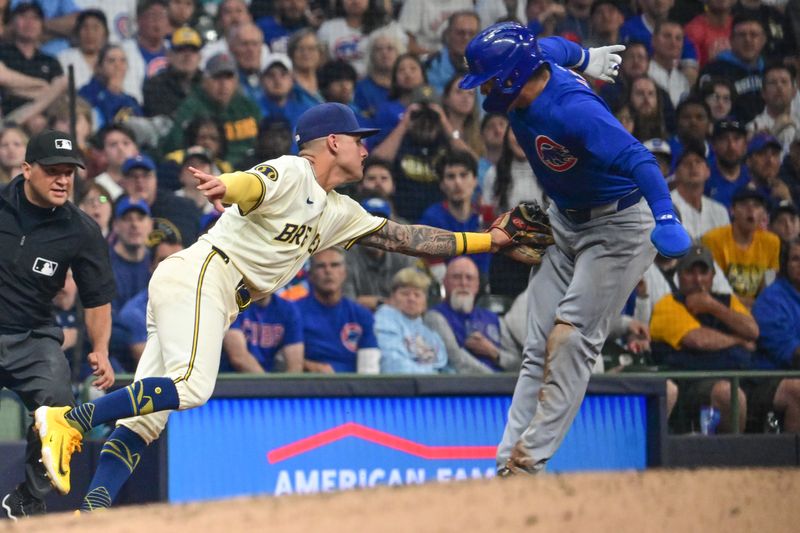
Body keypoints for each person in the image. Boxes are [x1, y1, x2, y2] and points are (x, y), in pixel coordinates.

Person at [35, 102, 519, 510]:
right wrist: (226, 186)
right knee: (192, 386)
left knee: (146, 420)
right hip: (206, 272)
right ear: (332, 141)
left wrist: (489, 241)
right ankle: (69, 420)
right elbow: (253, 183)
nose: (366, 148)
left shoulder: (339, 210)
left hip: (210, 290)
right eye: (357, 139)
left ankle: (92, 511)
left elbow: (407, 238)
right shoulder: (295, 170)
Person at [459, 22, 691, 475]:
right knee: (536, 340)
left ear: (511, 75)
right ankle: (508, 466)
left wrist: (666, 213)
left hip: (620, 224)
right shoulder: (530, 61)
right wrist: (585, 57)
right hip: (566, 220)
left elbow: (638, 158)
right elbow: (552, 47)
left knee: (570, 340)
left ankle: (529, 463)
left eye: (487, 78)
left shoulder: (573, 110)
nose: (482, 88)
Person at [0, 130, 115, 519]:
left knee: (63, 411)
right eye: (53, 171)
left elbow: (97, 297)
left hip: (32, 338)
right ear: (27, 170)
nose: (63, 180)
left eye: (69, 172)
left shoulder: (81, 229)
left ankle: (27, 501)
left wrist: (100, 349)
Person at [649, 244, 754, 432]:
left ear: (713, 276)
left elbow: (753, 331)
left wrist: (713, 306)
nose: (698, 280)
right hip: (690, 383)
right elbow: (699, 340)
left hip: (740, 375)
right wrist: (738, 340)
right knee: (727, 393)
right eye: (690, 272)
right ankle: (736, 457)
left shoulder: (726, 301)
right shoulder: (667, 304)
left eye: (703, 272)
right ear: (679, 276)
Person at [296, 247, 380, 373]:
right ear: (311, 275)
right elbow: (282, 357)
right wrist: (312, 367)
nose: (328, 271)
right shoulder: (294, 312)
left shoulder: (361, 315)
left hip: (353, 389)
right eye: (321, 266)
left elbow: (369, 369)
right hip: (309, 386)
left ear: (344, 273)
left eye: (334, 265)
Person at [425, 256, 507, 373]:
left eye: (469, 278)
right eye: (456, 277)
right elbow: (456, 359)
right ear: (445, 282)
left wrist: (493, 352)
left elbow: (517, 360)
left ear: (477, 285)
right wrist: (496, 379)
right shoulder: (435, 316)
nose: (463, 283)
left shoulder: (493, 318)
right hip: (463, 386)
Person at [702, 188, 781, 307]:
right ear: (732, 211)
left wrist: (761, 306)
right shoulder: (713, 239)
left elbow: (768, 285)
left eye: (757, 205)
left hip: (757, 308)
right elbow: (715, 289)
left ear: (763, 214)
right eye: (744, 205)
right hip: (721, 306)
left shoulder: (771, 242)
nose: (751, 210)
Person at [343, 197, 417, 311]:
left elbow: (413, 300)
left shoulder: (403, 255)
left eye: (381, 222)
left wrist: (367, 301)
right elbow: (346, 302)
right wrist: (382, 302)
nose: (375, 229)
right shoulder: (346, 255)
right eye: (369, 221)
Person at [375, 267, 447, 374]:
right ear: (392, 298)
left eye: (417, 295)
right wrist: (433, 375)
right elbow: (393, 366)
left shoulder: (430, 332)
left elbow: (444, 366)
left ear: (425, 303)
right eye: (405, 293)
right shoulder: (385, 318)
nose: (411, 299)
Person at [222, 292, 304, 373]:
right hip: (232, 379)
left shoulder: (288, 309)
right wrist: (267, 384)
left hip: (267, 379)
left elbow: (295, 367)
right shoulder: (234, 304)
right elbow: (239, 358)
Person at [670, 144, 730, 240]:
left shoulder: (720, 211)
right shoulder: (666, 207)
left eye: (698, 161)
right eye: (686, 163)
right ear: (676, 174)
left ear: (708, 171)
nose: (693, 166)